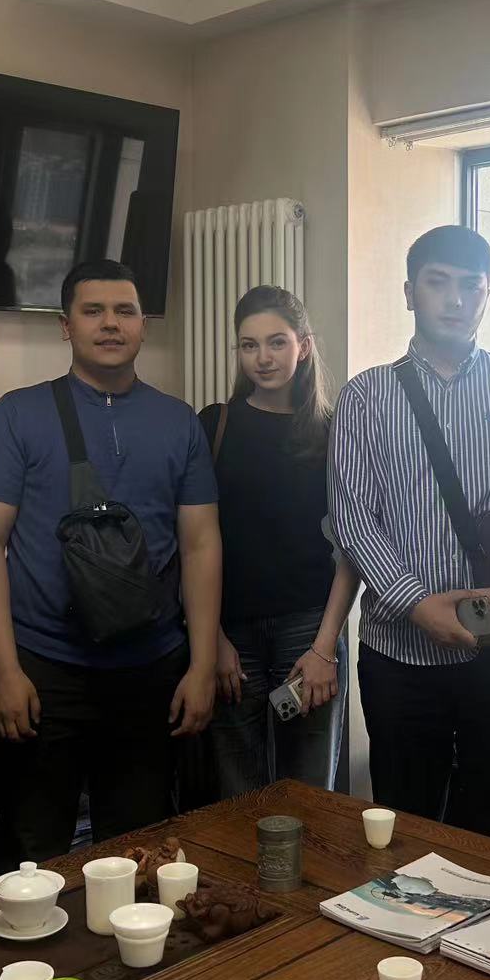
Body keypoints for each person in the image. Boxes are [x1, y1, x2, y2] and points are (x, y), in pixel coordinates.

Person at [0, 260, 220, 860]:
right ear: (66, 326)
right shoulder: (18, 414)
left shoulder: (178, 421)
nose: (110, 324)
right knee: (33, 854)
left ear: (143, 325)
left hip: (150, 670)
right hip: (44, 670)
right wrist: (5, 672)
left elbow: (200, 545)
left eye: (125, 311)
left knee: (136, 852)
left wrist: (202, 665)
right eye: (93, 311)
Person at [329, 225, 490, 837]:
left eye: (471, 286)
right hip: (399, 654)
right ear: (410, 292)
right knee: (405, 816)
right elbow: (353, 516)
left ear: (487, 295)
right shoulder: (366, 396)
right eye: (438, 283)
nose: (455, 300)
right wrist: (415, 603)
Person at [197, 286, 360, 797]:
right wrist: (211, 639)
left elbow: (353, 544)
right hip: (231, 632)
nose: (262, 358)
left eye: (276, 342)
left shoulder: (333, 432)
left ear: (303, 346)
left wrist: (325, 649)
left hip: (308, 629)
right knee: (235, 797)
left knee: (307, 797)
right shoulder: (214, 424)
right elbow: (193, 541)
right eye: (249, 345)